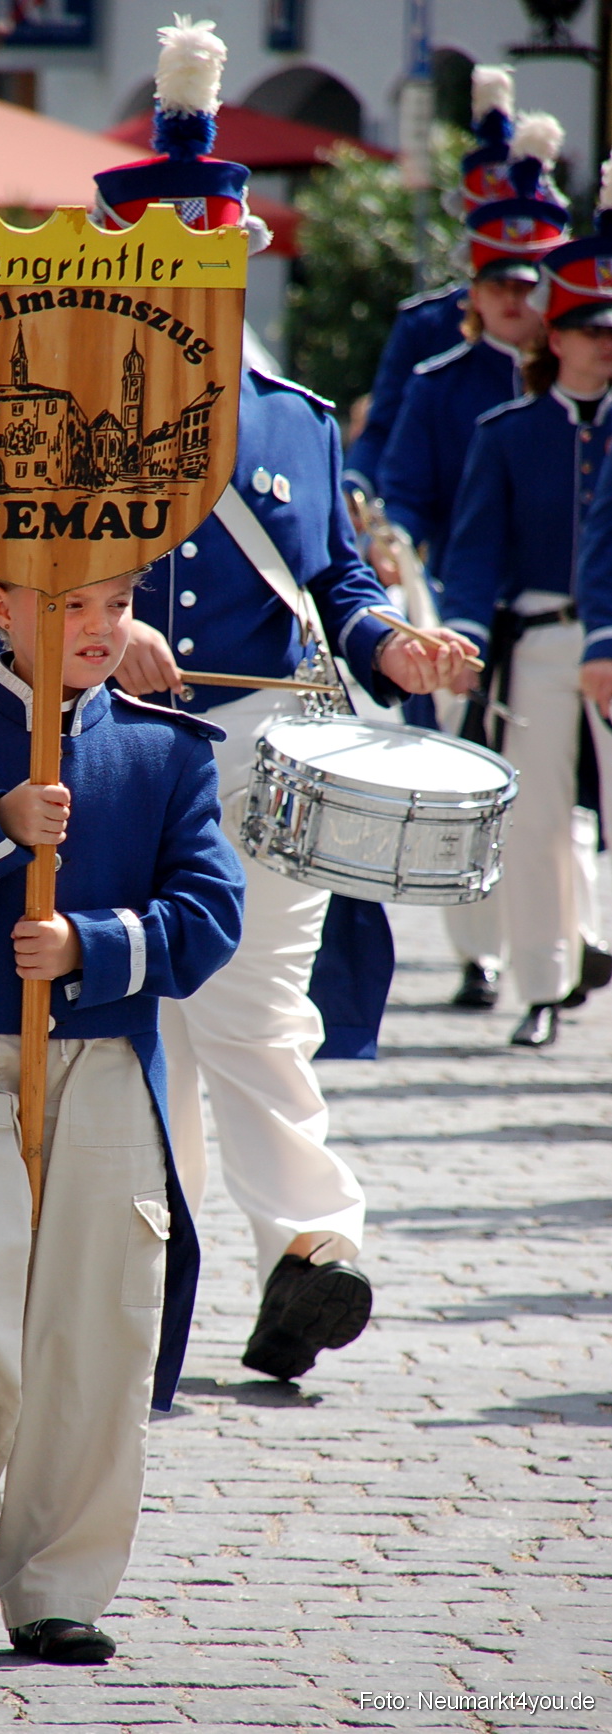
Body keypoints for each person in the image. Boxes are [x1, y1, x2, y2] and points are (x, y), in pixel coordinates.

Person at [0, 17, 478, 1385]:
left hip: (267, 742)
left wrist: (394, 647)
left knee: (250, 1009)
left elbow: (333, 584)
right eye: (176, 268)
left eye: (221, 266)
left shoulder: (296, 415)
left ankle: (311, 1250)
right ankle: (146, 1282)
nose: (208, 290)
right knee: (133, 1023)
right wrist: (90, 636)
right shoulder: (50, 395)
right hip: (113, 751)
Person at [0, 565, 245, 1664]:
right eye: (67, 604)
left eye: (115, 602)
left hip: (109, 1059)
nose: (98, 626)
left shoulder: (168, 752)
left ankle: (56, 1586)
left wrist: (94, 944)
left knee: (96, 1323)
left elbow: (209, 914)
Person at [378, 110, 570, 1013]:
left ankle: (571, 942)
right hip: (457, 596)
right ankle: (477, 952)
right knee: (466, 774)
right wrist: (398, 544)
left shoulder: (577, 389)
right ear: (475, 286)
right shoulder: (439, 382)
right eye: (496, 281)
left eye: (529, 284)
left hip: (550, 599)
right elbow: (402, 482)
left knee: (555, 802)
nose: (512, 299)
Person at [441, 166, 612, 1050]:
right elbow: (472, 552)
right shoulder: (505, 435)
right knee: (539, 818)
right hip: (540, 641)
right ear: (555, 331)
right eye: (585, 327)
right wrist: (463, 634)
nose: (601, 343)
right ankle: (545, 983)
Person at [342, 66, 522, 502]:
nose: (513, 299)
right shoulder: (426, 326)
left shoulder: (568, 331)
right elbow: (384, 429)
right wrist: (354, 490)